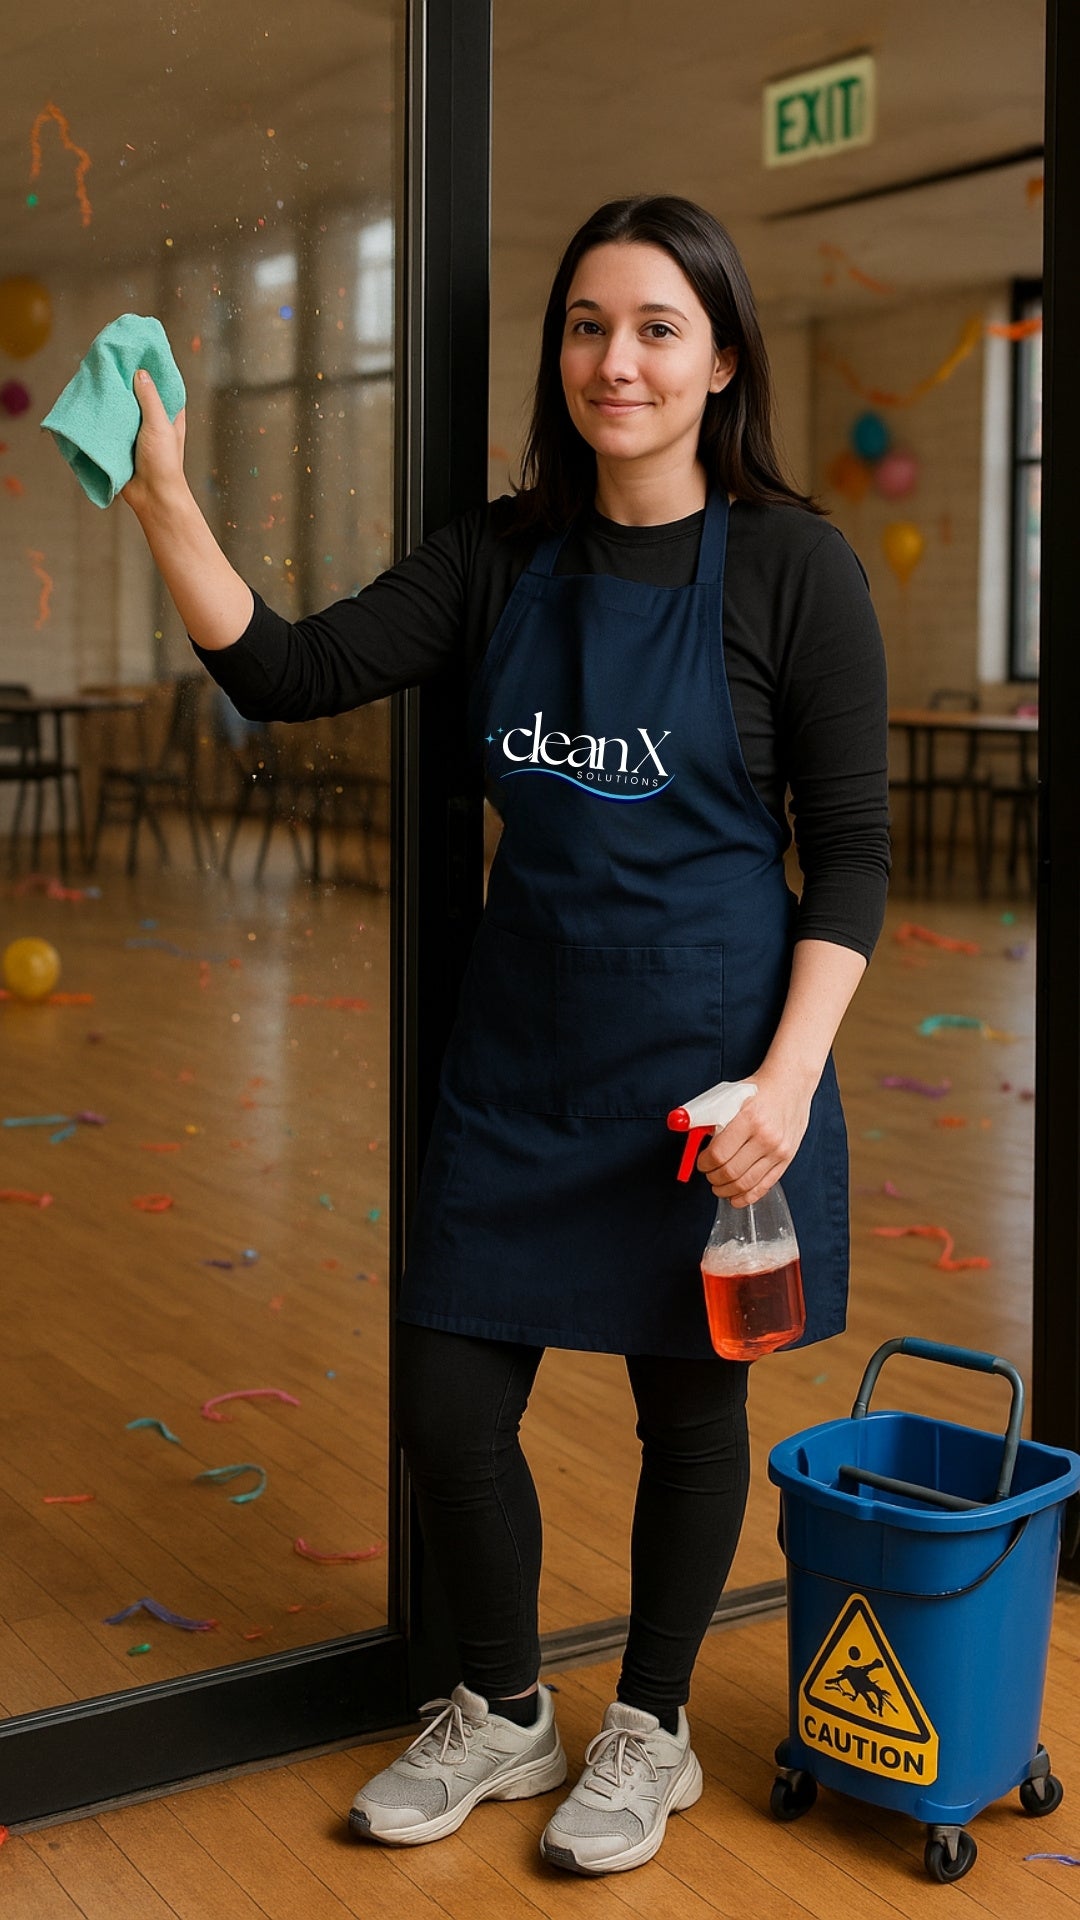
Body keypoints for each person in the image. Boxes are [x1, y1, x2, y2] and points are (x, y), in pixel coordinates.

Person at [123, 193, 889, 1877]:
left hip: (709, 1080)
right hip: (521, 1069)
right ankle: (505, 1709)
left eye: (658, 328)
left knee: (687, 1419)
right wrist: (167, 494)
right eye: (588, 326)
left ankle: (653, 1728)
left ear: (721, 361)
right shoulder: (496, 560)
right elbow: (292, 669)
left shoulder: (795, 568)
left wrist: (786, 1081)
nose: (617, 361)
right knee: (449, 1414)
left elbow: (850, 854)